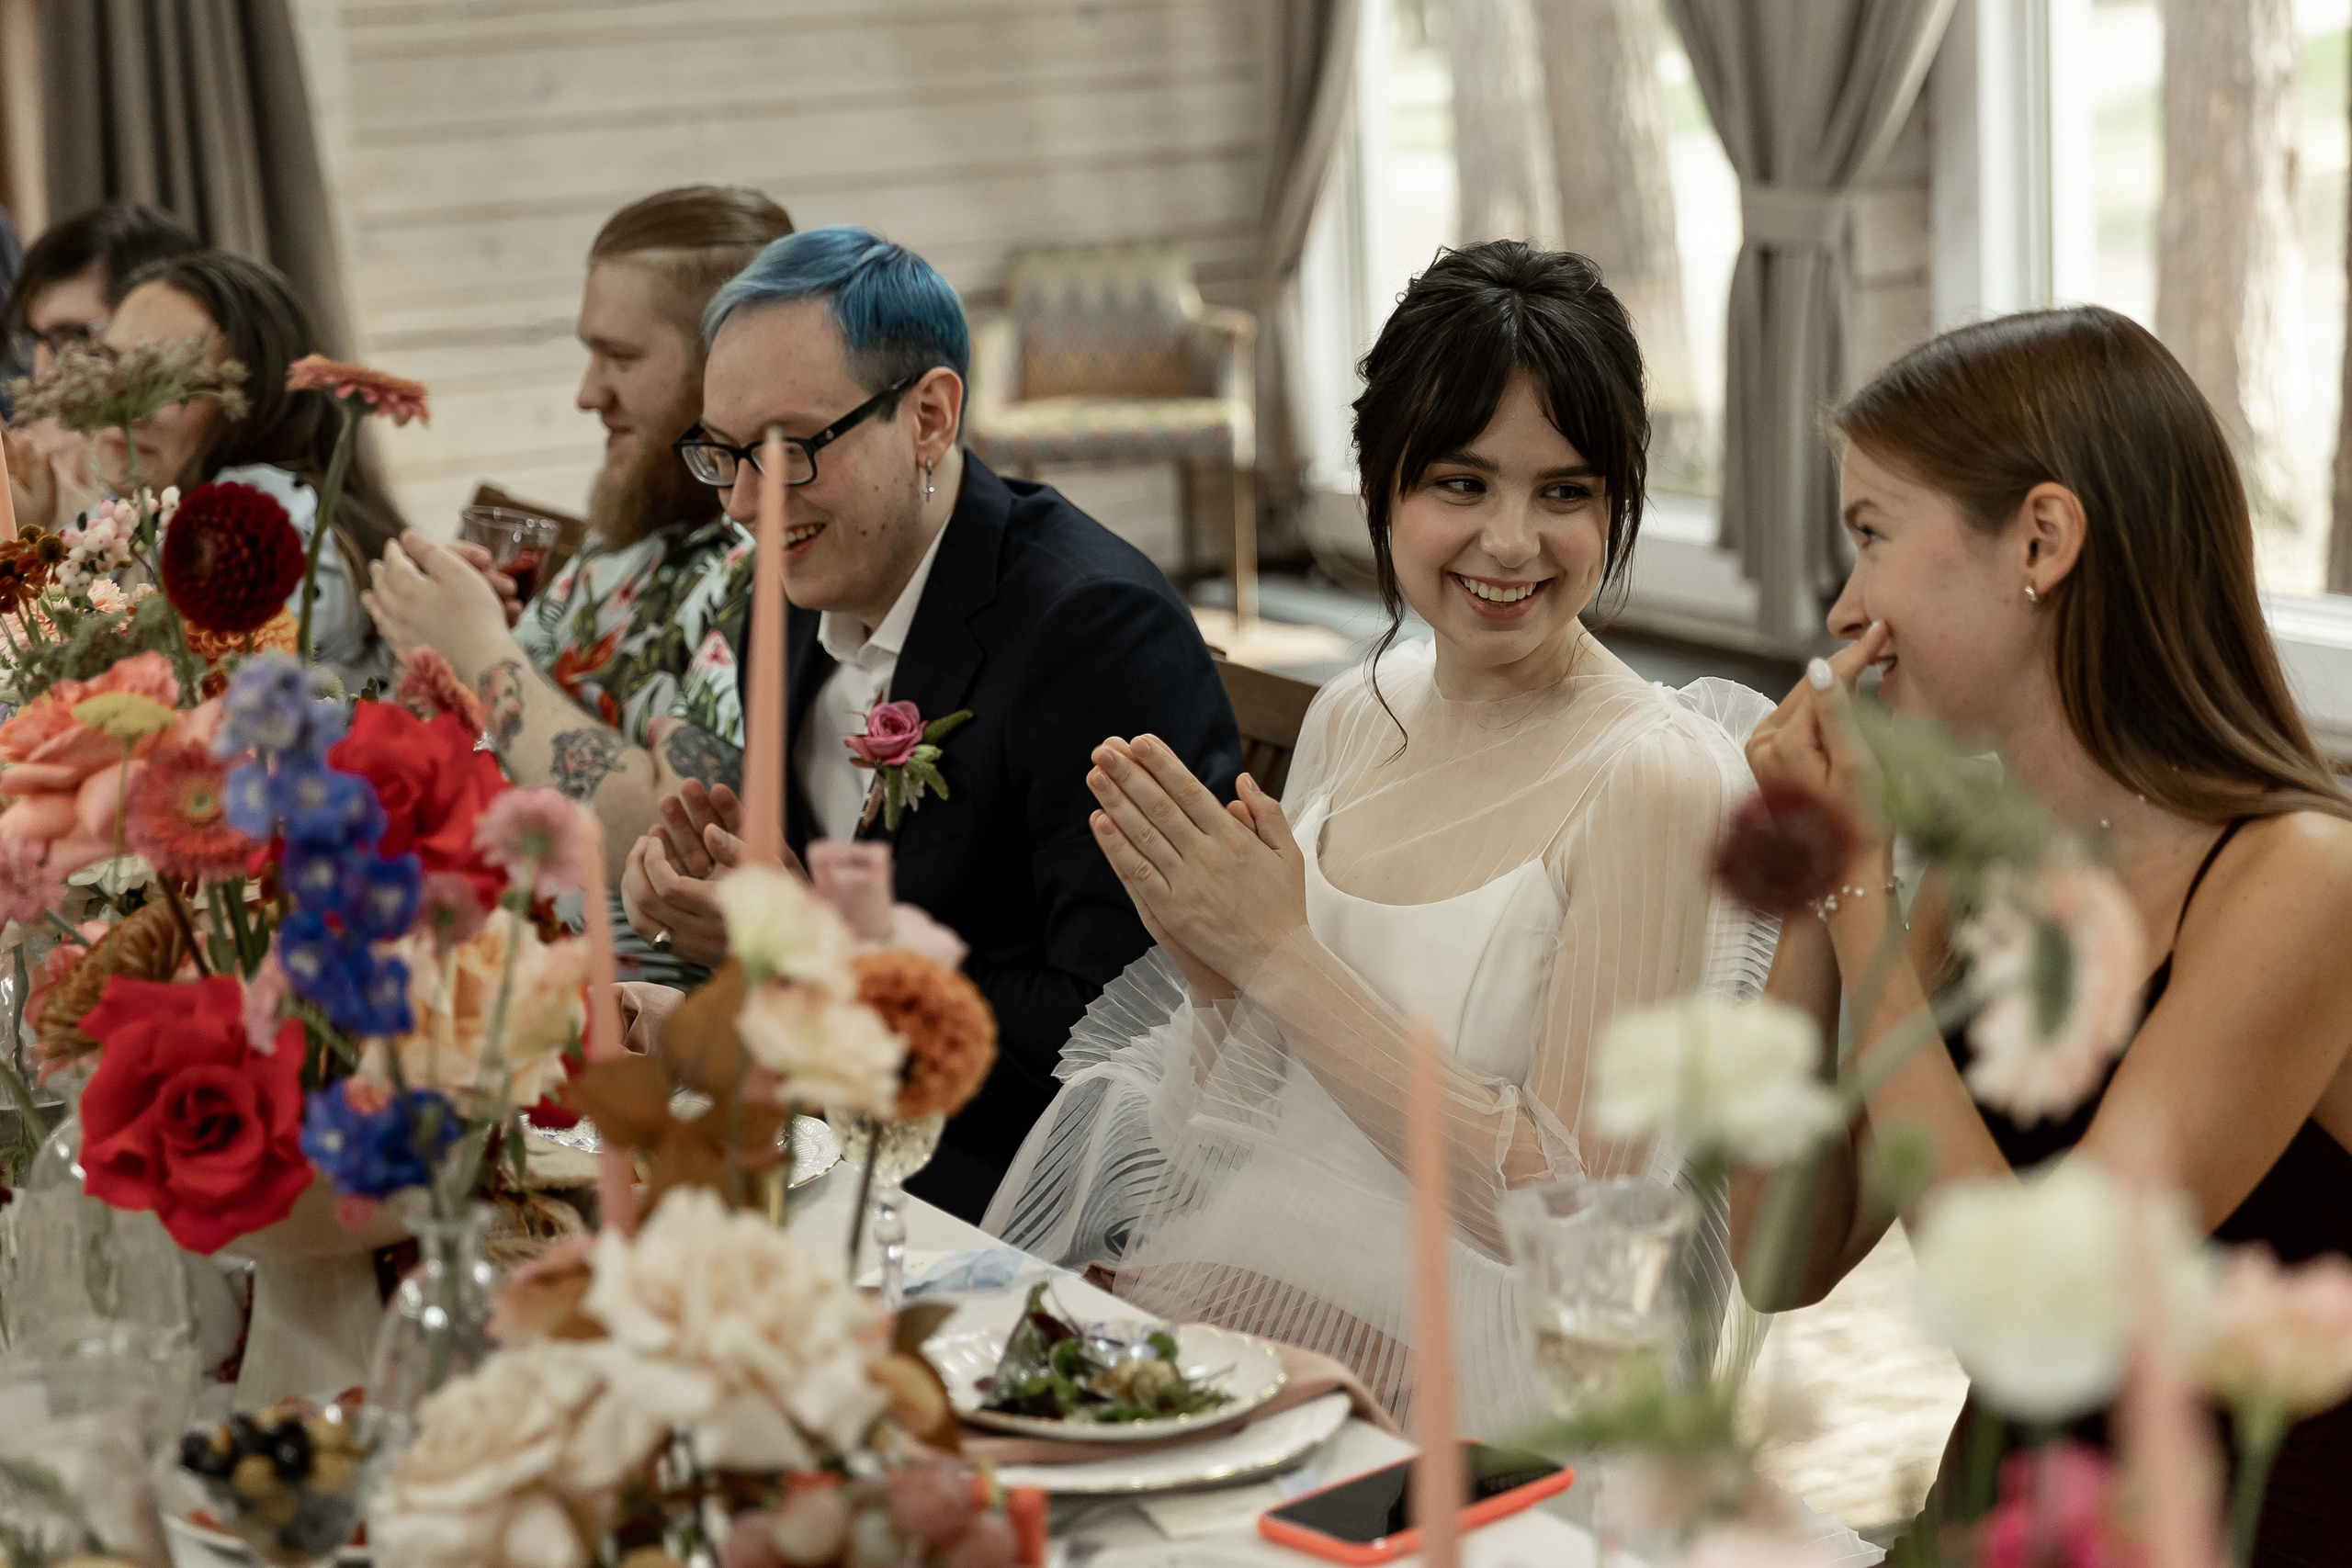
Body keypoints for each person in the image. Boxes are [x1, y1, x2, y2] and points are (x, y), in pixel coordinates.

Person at [982, 243, 1794, 1446]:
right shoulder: (1358, 714)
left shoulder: (1654, 776)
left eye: (1565, 492)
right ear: (1384, 482)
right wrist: (1216, 980)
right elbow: (1242, 1109)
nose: (1511, 541)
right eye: (1461, 483)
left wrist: (1279, 961)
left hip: (1476, 1390)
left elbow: (1572, 1215)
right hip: (1251, 1304)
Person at [1739, 306, 2352, 1565]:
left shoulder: (2304, 881)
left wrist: (1865, 897)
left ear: (2042, 537)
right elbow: (1774, 1249)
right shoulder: (1985, 864)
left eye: (1871, 534)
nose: (1848, 600)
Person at [616, 225, 1242, 1222]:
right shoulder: (778, 601)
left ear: (930, 417)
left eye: (784, 450)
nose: (740, 503)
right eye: (723, 455)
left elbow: (1119, 1036)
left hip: (1015, 1189)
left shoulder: (1090, 632)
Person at [363, 186, 793, 986]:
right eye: (590, 353)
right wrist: (451, 654)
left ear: (727, 363)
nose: (587, 393)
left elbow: (675, 852)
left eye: (622, 358)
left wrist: (484, 653)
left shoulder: (769, 565)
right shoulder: (616, 545)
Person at [23, 251, 406, 692]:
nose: (126, 406)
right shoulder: (137, 512)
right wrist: (33, 543)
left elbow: (154, 719)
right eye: (111, 363)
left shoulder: (272, 531)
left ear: (252, 409)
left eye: (168, 383)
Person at [2, 201, 198, 522]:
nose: (41, 372)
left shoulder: (185, 490)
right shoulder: (24, 469)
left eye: (69, 337)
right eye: (31, 340)